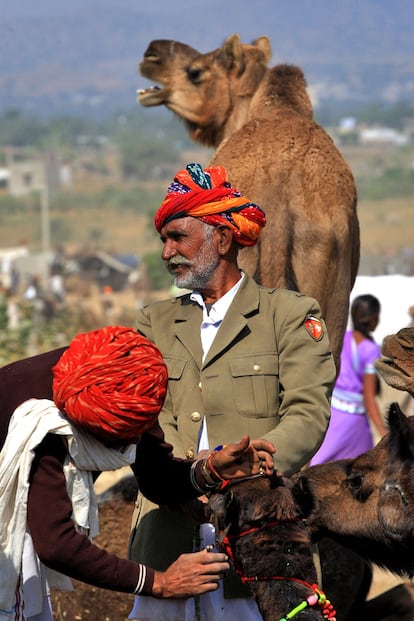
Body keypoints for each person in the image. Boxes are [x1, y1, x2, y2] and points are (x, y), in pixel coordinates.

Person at [128, 163, 337, 621]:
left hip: (260, 537)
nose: (167, 253)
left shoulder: (288, 314)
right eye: (163, 239)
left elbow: (307, 413)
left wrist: (246, 478)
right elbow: (142, 417)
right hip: (168, 535)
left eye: (178, 237)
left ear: (222, 239)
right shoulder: (154, 321)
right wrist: (187, 478)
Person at [0, 325, 275, 621]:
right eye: (119, 441)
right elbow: (56, 543)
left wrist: (211, 470)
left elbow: (156, 475)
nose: (132, 445)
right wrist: (160, 582)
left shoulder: (129, 379)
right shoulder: (41, 426)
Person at [310, 293, 387, 465]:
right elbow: (369, 397)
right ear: (373, 318)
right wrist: (383, 431)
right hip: (353, 421)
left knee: (318, 461)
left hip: (333, 413)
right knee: (362, 467)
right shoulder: (370, 349)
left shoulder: (343, 338)